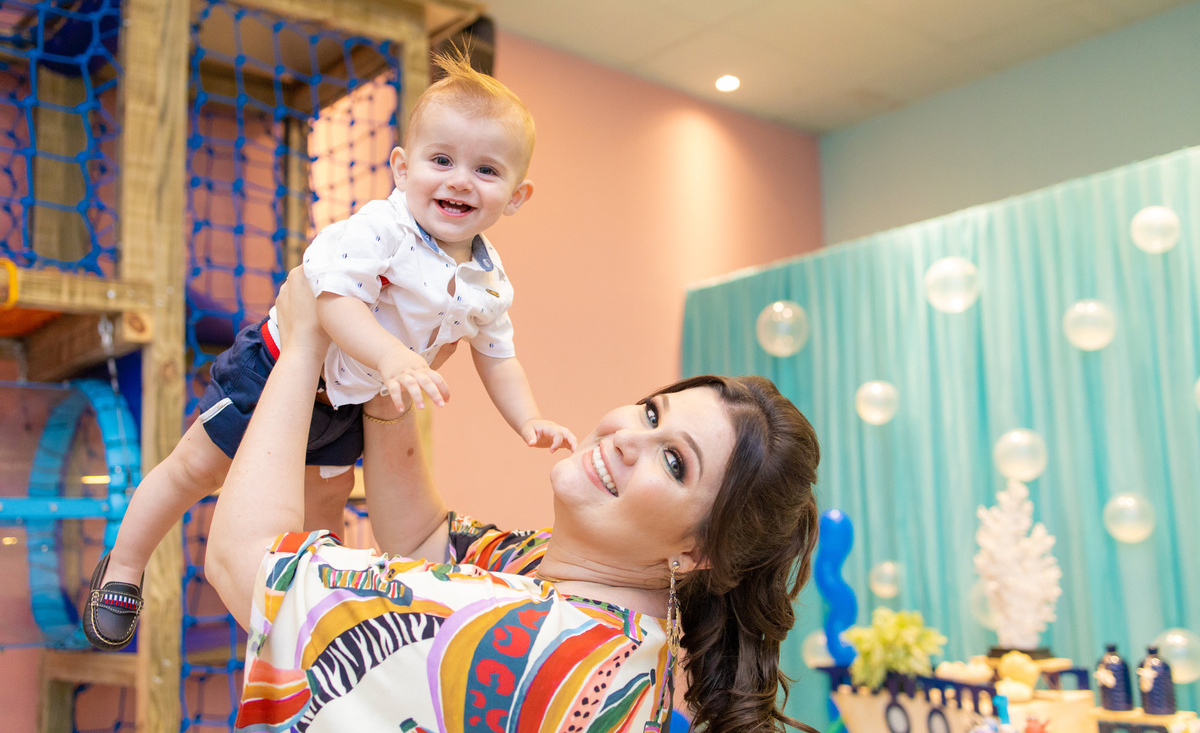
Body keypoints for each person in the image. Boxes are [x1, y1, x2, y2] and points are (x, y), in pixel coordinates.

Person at [82, 52, 575, 651]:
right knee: (197, 469)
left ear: (517, 196)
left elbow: (498, 356)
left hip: (347, 402)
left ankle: (313, 606)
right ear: (401, 166)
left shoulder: (489, 281)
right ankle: (126, 563)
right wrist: (394, 357)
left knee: (330, 498)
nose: (460, 180)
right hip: (273, 371)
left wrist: (528, 418)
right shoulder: (382, 230)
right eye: (441, 160)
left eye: (486, 170)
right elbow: (331, 303)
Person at [205, 269, 821, 733]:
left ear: (699, 551)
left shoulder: (539, 639)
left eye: (673, 460)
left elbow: (244, 561)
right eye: (650, 412)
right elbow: (424, 537)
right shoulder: (594, 601)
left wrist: (309, 337)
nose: (627, 437)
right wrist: (389, 378)